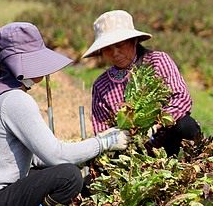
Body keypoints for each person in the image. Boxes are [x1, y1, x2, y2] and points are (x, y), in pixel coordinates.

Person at [0, 23, 129, 206]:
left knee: (53, 171)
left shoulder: (0, 95)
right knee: (68, 177)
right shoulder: (15, 100)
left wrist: (84, 150)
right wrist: (103, 142)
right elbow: (56, 155)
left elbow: (34, 159)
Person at [83, 10, 200, 155]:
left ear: (134, 41)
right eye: (107, 49)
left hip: (169, 139)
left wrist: (156, 123)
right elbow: (102, 128)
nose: (115, 53)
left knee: (186, 125)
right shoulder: (101, 85)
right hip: (132, 151)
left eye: (120, 45)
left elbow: (182, 98)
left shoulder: (157, 62)